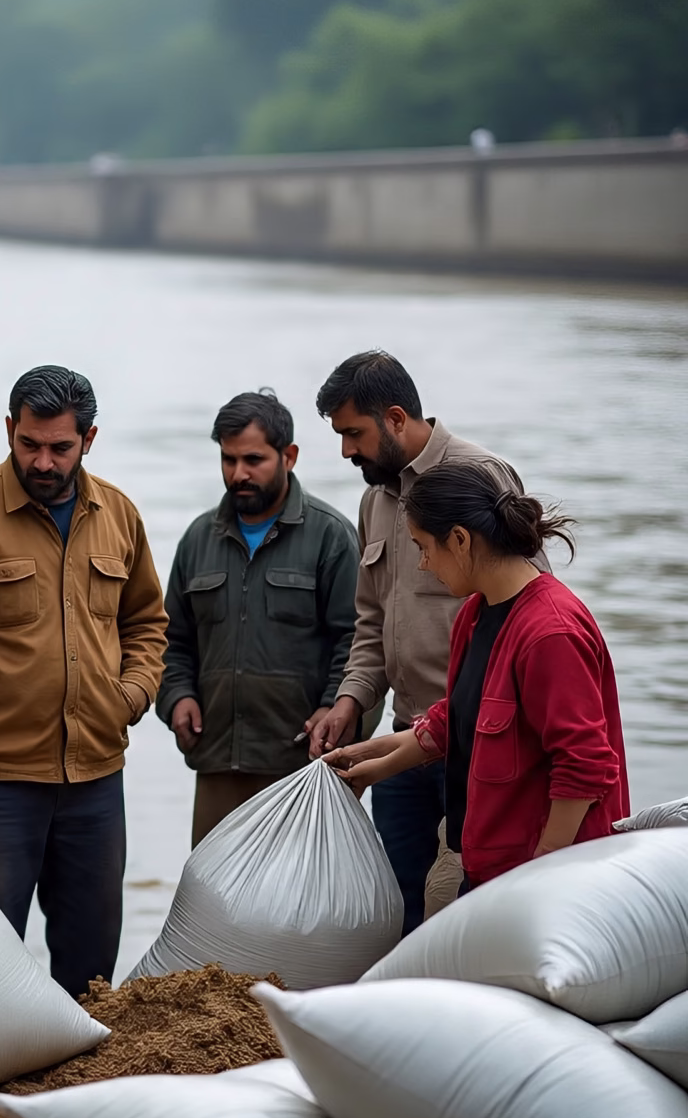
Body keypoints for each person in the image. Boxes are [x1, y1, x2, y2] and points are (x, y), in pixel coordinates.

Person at [0, 366, 167, 997]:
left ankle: (77, 1083)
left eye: (60, 448)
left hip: (95, 779)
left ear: (89, 439)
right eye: (29, 444)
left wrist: (131, 696)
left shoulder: (119, 515)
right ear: (10, 430)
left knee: (93, 960)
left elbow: (148, 623)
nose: (42, 462)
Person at [306, 350, 543, 933]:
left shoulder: (480, 477)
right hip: (404, 739)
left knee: (468, 906)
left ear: (394, 417)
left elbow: (528, 608)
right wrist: (350, 701)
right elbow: (371, 621)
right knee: (402, 905)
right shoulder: (375, 499)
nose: (345, 451)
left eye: (352, 434)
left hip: (479, 746)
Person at [326, 461, 629, 888]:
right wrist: (370, 762)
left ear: (461, 540)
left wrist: (542, 870)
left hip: (542, 877)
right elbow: (459, 717)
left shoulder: (550, 632)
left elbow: (584, 766)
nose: (424, 565)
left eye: (424, 548)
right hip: (485, 862)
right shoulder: (475, 612)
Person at [157, 390, 359, 846]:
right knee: (215, 905)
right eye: (228, 460)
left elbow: (358, 639)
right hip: (217, 764)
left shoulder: (331, 536)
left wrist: (332, 706)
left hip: (304, 767)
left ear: (289, 456)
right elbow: (169, 639)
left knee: (303, 907)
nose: (238, 474)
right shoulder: (198, 539)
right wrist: (176, 696)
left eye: (253, 459)